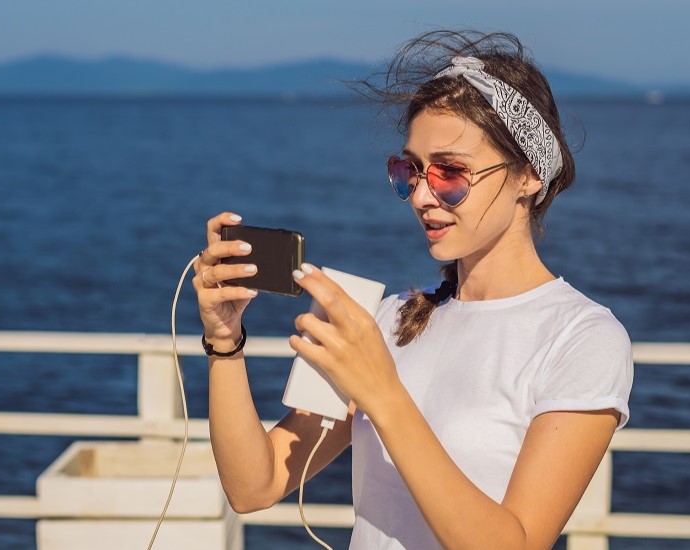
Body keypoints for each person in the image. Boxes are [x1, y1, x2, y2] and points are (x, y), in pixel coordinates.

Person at [192, 30, 634, 549]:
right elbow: (253, 485)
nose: (422, 195)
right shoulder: (385, 319)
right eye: (409, 171)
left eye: (450, 172)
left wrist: (383, 393)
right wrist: (225, 341)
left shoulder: (582, 338)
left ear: (529, 176)